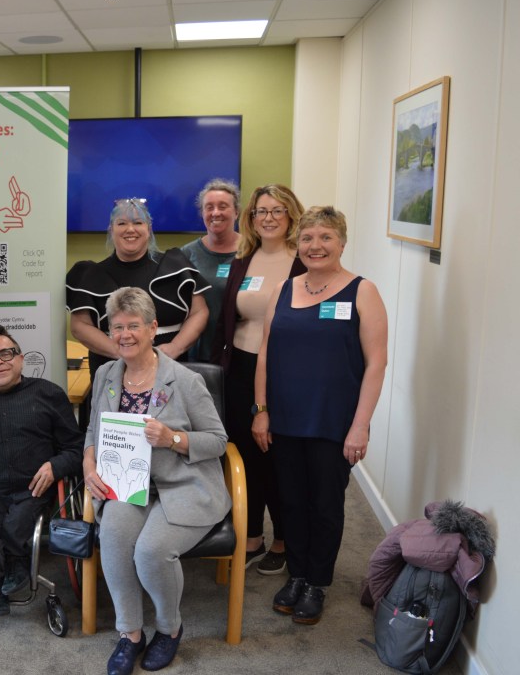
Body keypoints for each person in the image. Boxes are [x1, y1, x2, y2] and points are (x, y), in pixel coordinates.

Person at [83, 287, 229, 675]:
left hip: (182, 484)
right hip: (127, 484)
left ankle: (169, 628)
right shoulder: (105, 374)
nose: (124, 334)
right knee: (113, 539)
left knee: (151, 553)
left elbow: (218, 441)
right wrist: (88, 464)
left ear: (152, 329)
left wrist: (173, 439)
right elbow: (93, 433)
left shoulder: (185, 380)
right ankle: (130, 634)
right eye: (117, 327)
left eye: (133, 326)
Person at [253, 206, 388, 625]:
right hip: (285, 417)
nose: (316, 246)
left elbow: (376, 363)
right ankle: (297, 575)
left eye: (326, 237)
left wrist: (361, 424)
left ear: (342, 243)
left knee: (325, 504)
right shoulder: (284, 289)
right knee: (290, 502)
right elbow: (265, 353)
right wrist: (261, 410)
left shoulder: (362, 291)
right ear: (300, 244)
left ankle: (318, 582)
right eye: (308, 238)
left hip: (333, 421)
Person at [0, 325, 83, 615]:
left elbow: (77, 447)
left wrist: (55, 466)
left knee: (16, 524)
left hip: (33, 486)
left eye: (5, 354)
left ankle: (14, 566)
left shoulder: (49, 394)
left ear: (20, 358)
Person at [210, 183, 307, 576]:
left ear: (291, 216)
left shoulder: (303, 262)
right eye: (261, 211)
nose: (268, 218)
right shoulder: (241, 263)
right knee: (244, 455)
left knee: (279, 458)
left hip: (284, 372)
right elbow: (228, 321)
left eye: (277, 211)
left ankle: (283, 539)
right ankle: (252, 537)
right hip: (240, 371)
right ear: (251, 219)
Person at [67, 199, 210, 389]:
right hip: (112, 375)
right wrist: (122, 352)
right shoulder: (91, 274)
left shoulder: (176, 266)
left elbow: (199, 312)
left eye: (137, 222)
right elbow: (79, 326)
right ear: (111, 230)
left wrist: (175, 348)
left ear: (149, 229)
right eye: (122, 223)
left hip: (170, 371)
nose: (130, 229)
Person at [181, 179, 241, 362]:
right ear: (202, 213)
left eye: (223, 206)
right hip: (198, 355)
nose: (216, 212)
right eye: (209, 207)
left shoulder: (252, 252)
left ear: (236, 212)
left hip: (241, 353)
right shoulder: (186, 254)